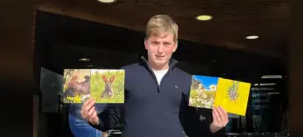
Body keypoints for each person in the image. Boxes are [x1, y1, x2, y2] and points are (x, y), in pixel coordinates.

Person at [81, 15, 229, 137]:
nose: (160, 50)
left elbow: (193, 129)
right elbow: (111, 120)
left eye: (166, 43)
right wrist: (94, 120)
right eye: (155, 43)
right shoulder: (125, 74)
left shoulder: (188, 81)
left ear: (175, 46)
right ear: (146, 43)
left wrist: (214, 127)